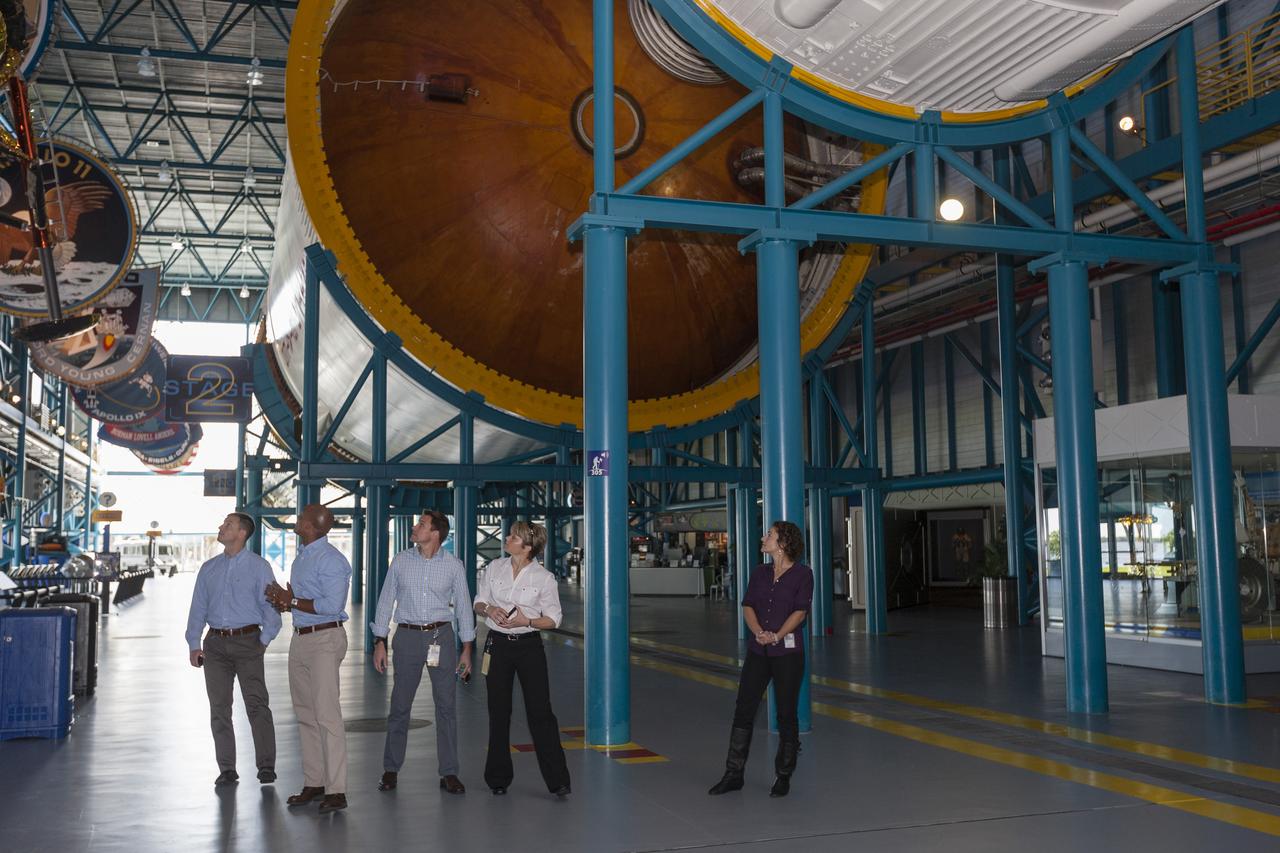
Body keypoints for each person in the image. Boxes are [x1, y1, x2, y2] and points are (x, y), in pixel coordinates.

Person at [370, 510, 475, 794]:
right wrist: (379, 640)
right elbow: (385, 600)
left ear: (436, 534)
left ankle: (449, 772)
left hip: (441, 637)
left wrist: (467, 648)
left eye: (421, 525)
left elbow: (464, 607)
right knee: (400, 706)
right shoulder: (402, 561)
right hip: (406, 637)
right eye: (417, 524)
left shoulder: (454, 565)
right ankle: (391, 769)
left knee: (446, 707)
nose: (415, 528)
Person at [708, 520, 813, 798]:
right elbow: (748, 605)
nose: (764, 538)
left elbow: (800, 612)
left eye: (770, 535)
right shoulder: (759, 572)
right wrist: (759, 634)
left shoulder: (803, 575)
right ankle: (733, 774)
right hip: (759, 651)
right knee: (744, 708)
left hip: (788, 653)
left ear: (782, 544)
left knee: (786, 713)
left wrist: (777, 635)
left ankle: (784, 775)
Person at [471, 521, 571, 798]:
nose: (507, 537)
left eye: (514, 536)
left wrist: (527, 620)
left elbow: (553, 619)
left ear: (527, 547)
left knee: (540, 713)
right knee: (498, 711)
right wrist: (489, 609)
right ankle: (498, 778)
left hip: (529, 646)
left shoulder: (544, 578)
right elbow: (478, 601)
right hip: (497, 645)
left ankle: (558, 780)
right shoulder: (494, 568)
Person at [265, 503, 352, 815]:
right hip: (301, 638)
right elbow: (301, 602)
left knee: (327, 715)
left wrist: (294, 600)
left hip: (325, 640)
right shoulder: (303, 557)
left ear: (315, 525)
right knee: (305, 713)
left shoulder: (332, 560)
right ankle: (314, 782)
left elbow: (332, 604)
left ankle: (337, 789)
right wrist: (286, 603)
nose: (298, 520)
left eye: (302, 517)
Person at [185, 512, 282, 787]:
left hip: (248, 641)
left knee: (257, 705)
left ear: (241, 533)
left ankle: (266, 766)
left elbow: (271, 609)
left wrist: (262, 641)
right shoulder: (209, 568)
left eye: (228, 524)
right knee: (219, 708)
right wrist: (194, 643)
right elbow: (198, 608)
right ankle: (226, 768)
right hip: (214, 645)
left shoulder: (259, 567)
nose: (221, 527)